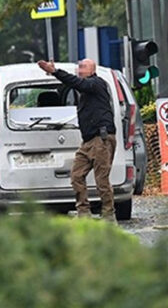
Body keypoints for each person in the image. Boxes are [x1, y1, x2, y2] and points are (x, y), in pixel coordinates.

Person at [37, 58, 117, 222]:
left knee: (101, 179)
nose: (79, 70)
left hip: (101, 138)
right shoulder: (86, 88)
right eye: (79, 67)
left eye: (83, 67)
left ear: (92, 70)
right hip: (88, 140)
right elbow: (75, 83)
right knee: (76, 176)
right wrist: (55, 73)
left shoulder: (96, 83)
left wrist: (55, 72)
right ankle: (83, 212)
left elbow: (77, 84)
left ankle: (109, 214)